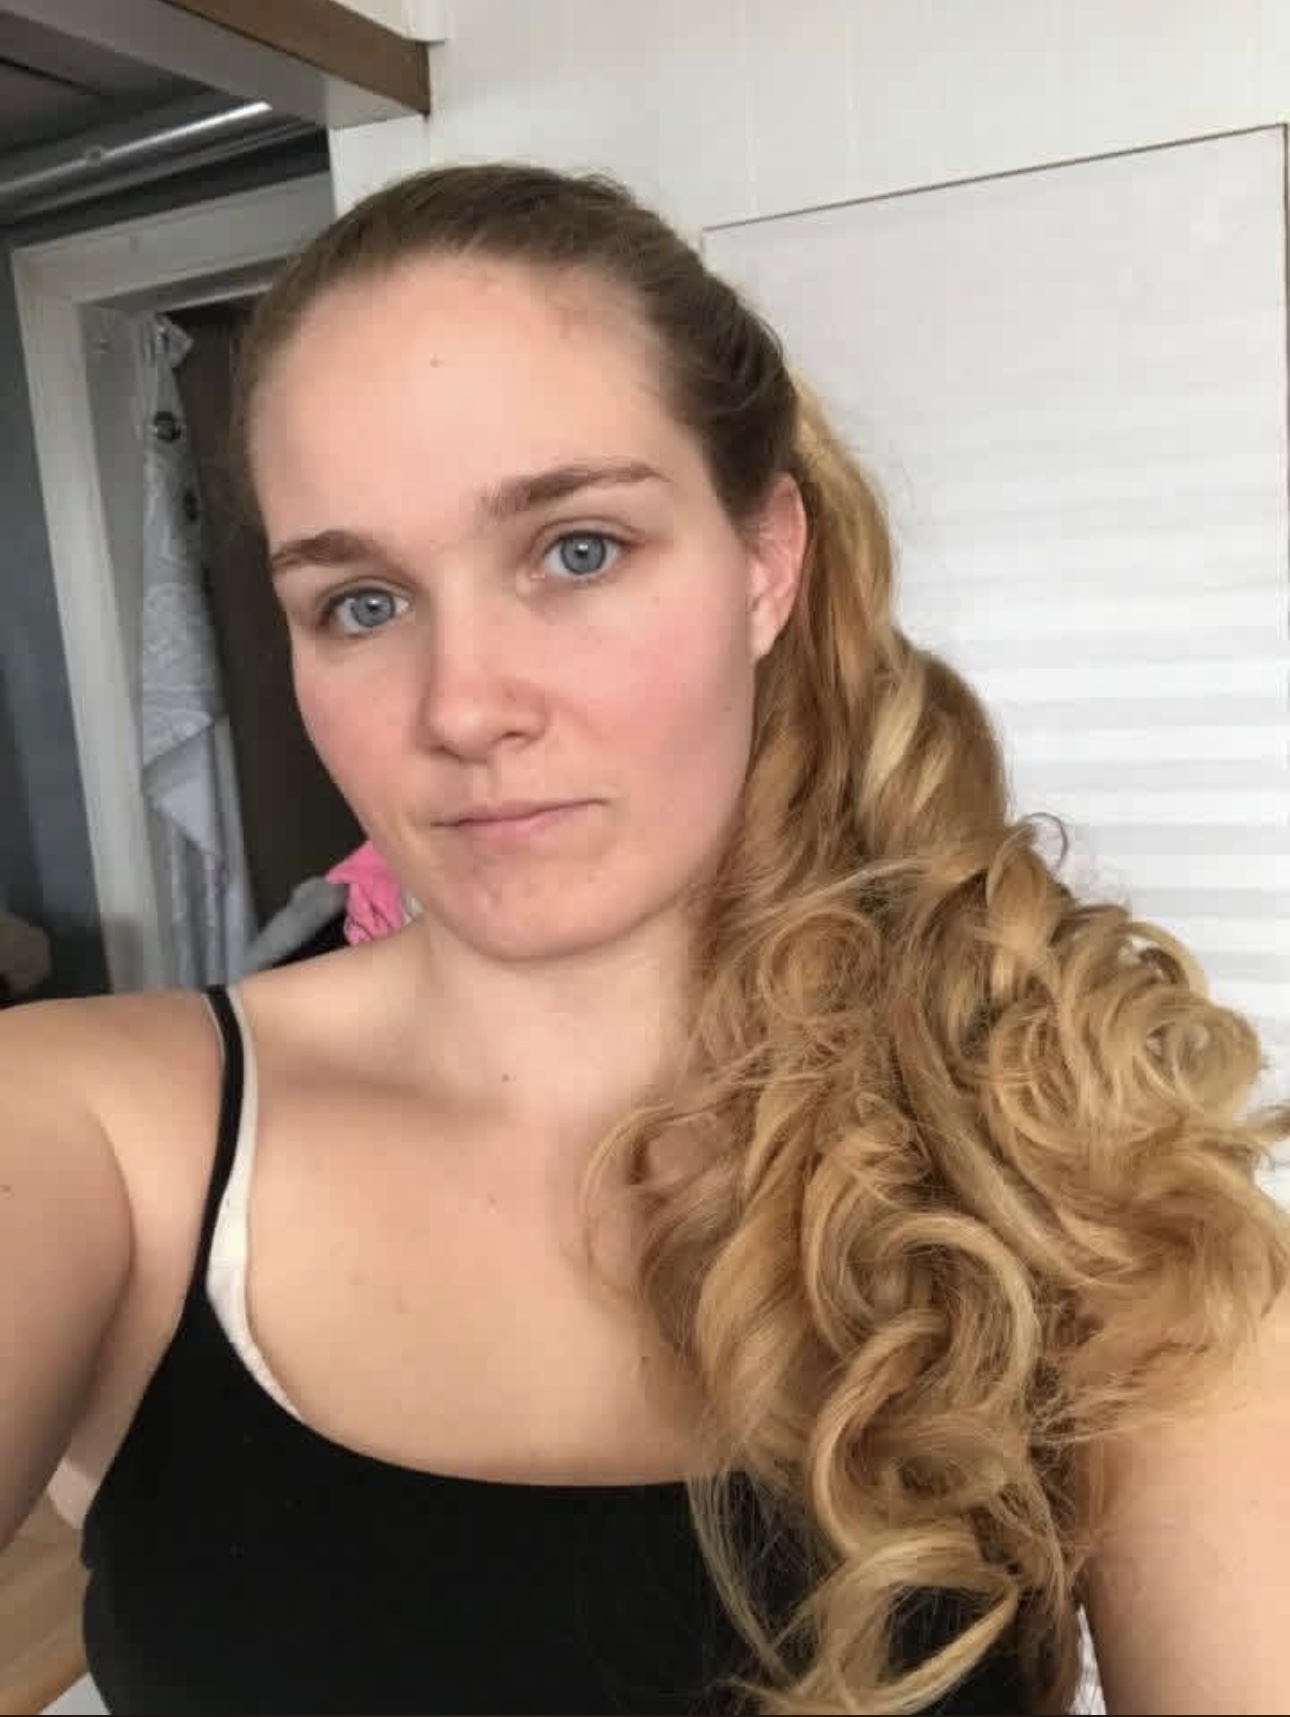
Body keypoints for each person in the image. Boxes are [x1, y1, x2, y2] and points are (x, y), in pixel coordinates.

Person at [3, 162, 1289, 1717]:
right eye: (359, 602)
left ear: (765, 562)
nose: (463, 706)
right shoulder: (92, 1131)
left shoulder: (1066, 1155)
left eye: (577, 550)